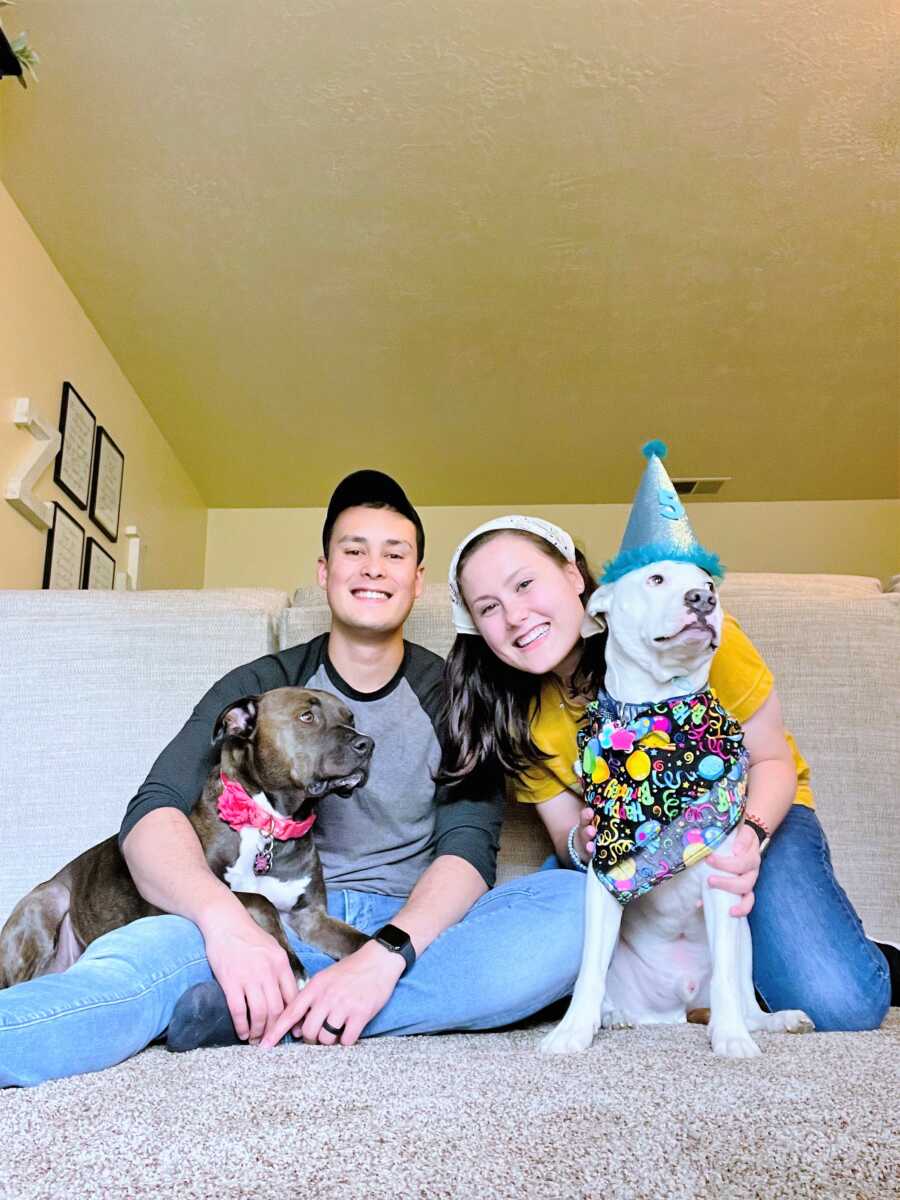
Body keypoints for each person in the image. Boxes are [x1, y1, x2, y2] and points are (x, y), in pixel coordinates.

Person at [1, 471, 590, 1088]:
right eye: (353, 550)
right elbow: (152, 814)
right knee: (116, 986)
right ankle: (306, 1003)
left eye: (395, 553)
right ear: (324, 570)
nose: (373, 567)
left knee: (574, 910)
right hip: (245, 918)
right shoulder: (258, 686)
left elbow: (469, 853)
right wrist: (225, 927)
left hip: (399, 926)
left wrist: (386, 956)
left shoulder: (456, 697)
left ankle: (273, 1010)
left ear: (418, 581)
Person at [441, 497, 894, 1032]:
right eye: (488, 607)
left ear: (574, 577)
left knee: (840, 1001)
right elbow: (566, 835)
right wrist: (583, 843)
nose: (515, 615)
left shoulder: (684, 632)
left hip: (752, 814)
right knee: (547, 935)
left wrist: (747, 841)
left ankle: (823, 950)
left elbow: (772, 761)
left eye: (524, 585)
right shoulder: (515, 712)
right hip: (640, 844)